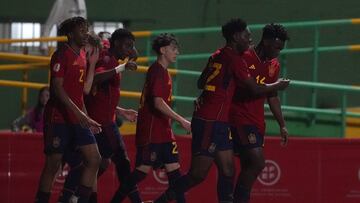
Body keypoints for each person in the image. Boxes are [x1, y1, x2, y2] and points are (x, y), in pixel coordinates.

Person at [154, 18, 290, 203]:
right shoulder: (237, 59)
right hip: (215, 119)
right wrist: (278, 85)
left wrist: (213, 90)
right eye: (247, 36)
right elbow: (254, 89)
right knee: (199, 174)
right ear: (236, 37)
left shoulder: (219, 54)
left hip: (221, 121)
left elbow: (201, 82)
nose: (250, 40)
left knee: (228, 170)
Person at [58, 28, 141, 203]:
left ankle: (74, 195)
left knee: (98, 163)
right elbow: (95, 79)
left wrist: (121, 111)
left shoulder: (112, 58)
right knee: (119, 162)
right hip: (101, 123)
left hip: (103, 119)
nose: (129, 50)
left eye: (131, 46)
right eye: (126, 45)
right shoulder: (106, 58)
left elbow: (102, 96)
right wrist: (122, 67)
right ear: (115, 43)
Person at [112, 33, 191, 203]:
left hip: (164, 132)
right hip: (151, 133)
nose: (177, 52)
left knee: (176, 175)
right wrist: (182, 120)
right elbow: (157, 102)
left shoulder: (163, 72)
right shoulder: (157, 71)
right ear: (163, 50)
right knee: (141, 172)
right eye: (174, 48)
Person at [34, 16, 101, 203]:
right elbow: (57, 88)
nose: (86, 33)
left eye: (87, 29)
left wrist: (86, 116)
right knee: (53, 164)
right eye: (82, 30)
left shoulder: (82, 57)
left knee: (94, 159)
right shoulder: (61, 54)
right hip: (58, 118)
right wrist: (80, 113)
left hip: (77, 118)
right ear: (70, 34)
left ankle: (76, 200)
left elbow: (80, 93)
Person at [229, 23, 290, 203]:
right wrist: (277, 84)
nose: (278, 52)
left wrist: (282, 125)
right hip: (238, 117)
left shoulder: (274, 65)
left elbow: (272, 96)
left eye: (281, 49)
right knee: (257, 163)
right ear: (266, 41)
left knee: (249, 165)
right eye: (276, 47)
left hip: (256, 122)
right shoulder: (245, 57)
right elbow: (252, 89)